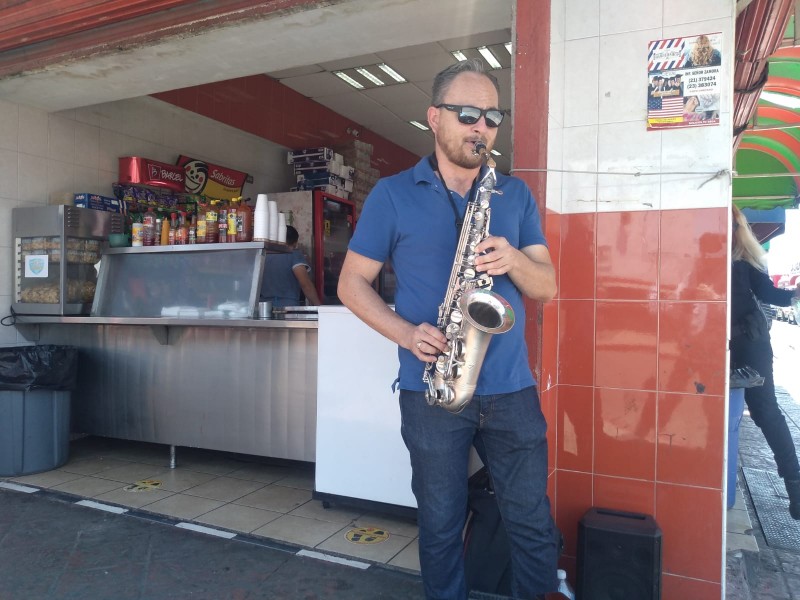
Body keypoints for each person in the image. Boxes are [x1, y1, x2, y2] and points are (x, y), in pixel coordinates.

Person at [337, 59, 559, 599]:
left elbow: (546, 285)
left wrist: (512, 260)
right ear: (435, 118)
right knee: (439, 526)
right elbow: (351, 284)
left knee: (531, 523)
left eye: (491, 117)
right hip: (431, 386)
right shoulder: (392, 194)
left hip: (510, 389)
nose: (480, 126)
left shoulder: (514, 195)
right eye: (467, 114)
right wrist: (406, 334)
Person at [731, 205, 800, 520]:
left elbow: (771, 294)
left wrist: (795, 294)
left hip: (749, 342)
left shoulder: (741, 256)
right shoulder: (704, 254)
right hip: (724, 343)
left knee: (765, 411)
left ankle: (795, 484)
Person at [260, 225, 321, 307]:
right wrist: (319, 307)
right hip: (288, 307)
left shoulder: (262, 254)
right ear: (295, 243)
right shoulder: (294, 255)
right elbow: (306, 285)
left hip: (264, 307)